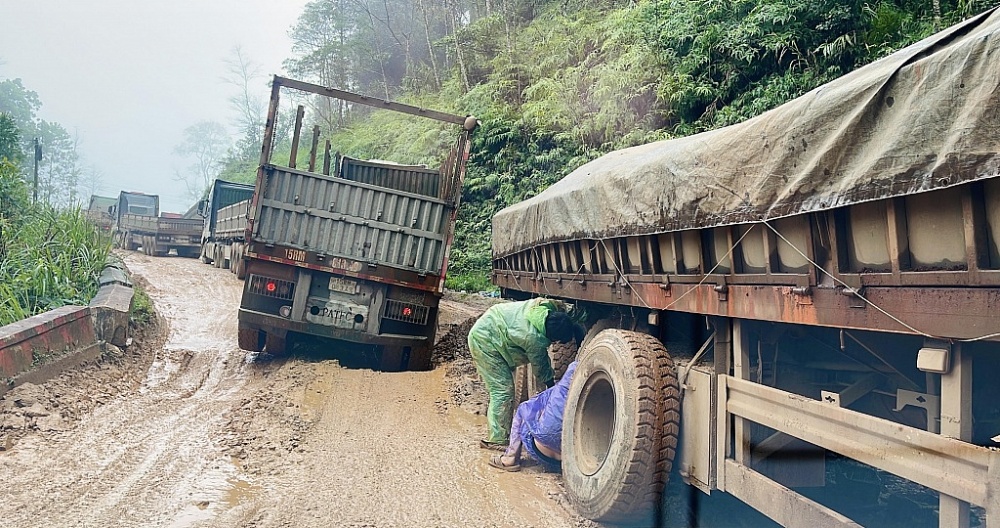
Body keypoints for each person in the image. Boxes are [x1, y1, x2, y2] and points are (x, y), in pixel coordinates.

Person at [467, 297, 583, 450]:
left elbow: (567, 310)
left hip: (498, 324)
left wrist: (587, 314)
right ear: (552, 337)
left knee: (504, 389)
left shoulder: (544, 306)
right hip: (484, 341)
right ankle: (497, 440)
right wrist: (551, 388)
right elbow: (541, 369)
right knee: (503, 391)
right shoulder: (533, 339)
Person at [488, 360, 578, 472]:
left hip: (542, 453)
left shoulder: (558, 391)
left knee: (523, 410)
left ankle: (509, 458)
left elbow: (528, 409)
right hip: (571, 461)